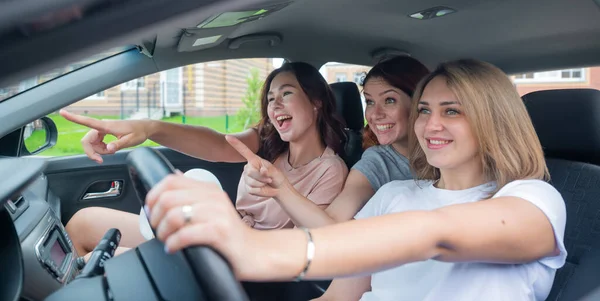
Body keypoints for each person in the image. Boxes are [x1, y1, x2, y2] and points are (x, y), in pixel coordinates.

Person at [147, 59, 567, 301]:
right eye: (424, 110)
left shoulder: (534, 198)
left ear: (492, 119)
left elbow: (435, 233)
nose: (431, 124)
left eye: (452, 111)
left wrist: (258, 250)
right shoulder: (394, 192)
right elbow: (337, 297)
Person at [60, 61, 349, 258]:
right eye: (271, 98)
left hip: (243, 255)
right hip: (218, 235)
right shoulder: (268, 142)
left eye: (287, 93)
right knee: (83, 224)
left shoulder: (331, 170)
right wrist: (149, 128)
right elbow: (217, 145)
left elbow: (301, 248)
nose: (275, 104)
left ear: (316, 102)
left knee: (99, 262)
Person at [235, 56, 430, 229]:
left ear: (420, 102)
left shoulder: (449, 152)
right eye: (369, 102)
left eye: (389, 100)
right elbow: (332, 223)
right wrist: (280, 188)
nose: (374, 114)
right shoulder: (376, 162)